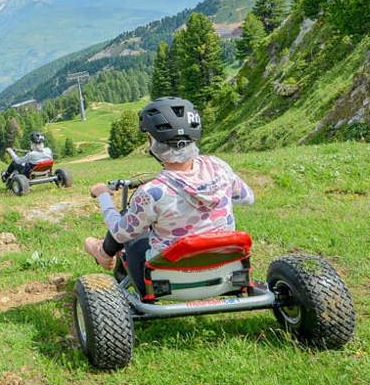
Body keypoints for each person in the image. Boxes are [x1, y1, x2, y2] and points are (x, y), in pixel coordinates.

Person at [83, 97, 255, 295]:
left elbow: (119, 232)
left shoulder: (152, 193)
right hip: (227, 271)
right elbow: (247, 197)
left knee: (131, 231)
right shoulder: (220, 168)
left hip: (169, 284)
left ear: (153, 142)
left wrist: (103, 195)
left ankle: (101, 252)